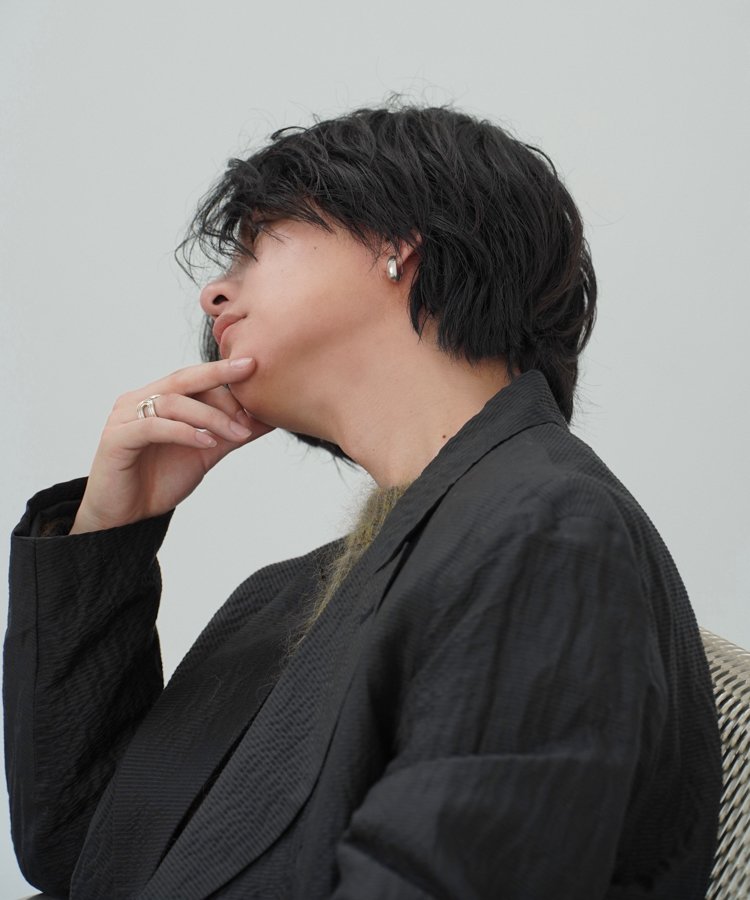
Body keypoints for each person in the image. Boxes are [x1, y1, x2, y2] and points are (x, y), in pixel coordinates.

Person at [4, 104, 722, 899]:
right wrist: (111, 529)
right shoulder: (283, 599)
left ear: (395, 244)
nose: (214, 293)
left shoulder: (548, 532)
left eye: (254, 245)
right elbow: (82, 853)